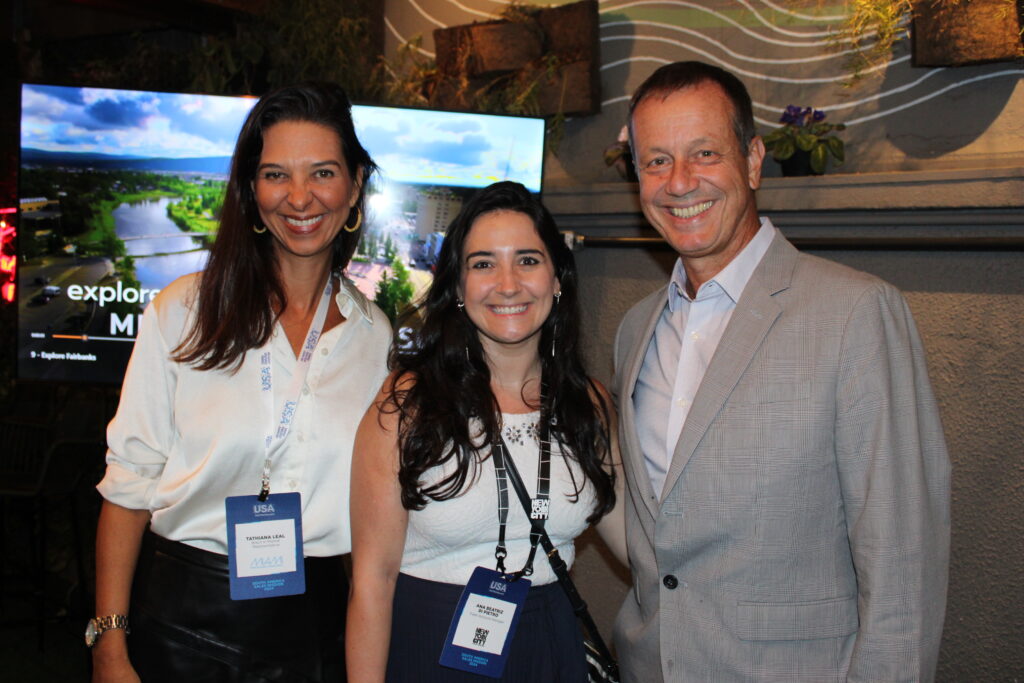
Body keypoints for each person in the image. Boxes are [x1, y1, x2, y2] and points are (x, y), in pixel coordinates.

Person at [612, 61, 952, 682]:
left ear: (753, 160)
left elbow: (904, 561)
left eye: (704, 153)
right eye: (656, 161)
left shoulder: (854, 313)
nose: (679, 182)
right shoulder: (636, 330)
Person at [91, 82, 391, 682]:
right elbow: (128, 485)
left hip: (318, 637)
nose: (300, 197)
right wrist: (109, 644)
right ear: (251, 192)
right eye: (276, 174)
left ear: (355, 186)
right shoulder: (183, 312)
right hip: (184, 625)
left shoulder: (375, 338)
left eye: (323, 172)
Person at [347, 181, 626, 682]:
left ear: (557, 278)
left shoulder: (589, 405)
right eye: (483, 264)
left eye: (527, 260)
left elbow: (637, 545)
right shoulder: (408, 404)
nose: (508, 283)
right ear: (456, 286)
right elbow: (371, 581)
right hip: (429, 647)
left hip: (552, 648)